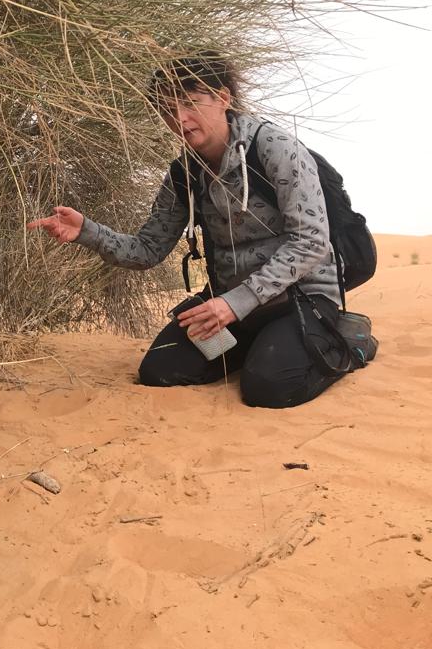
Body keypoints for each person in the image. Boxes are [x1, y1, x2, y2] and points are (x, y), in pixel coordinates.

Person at [26, 52, 344, 408]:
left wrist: (235, 303)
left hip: (300, 296)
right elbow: (147, 250)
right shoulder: (183, 174)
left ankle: (348, 340)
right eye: (166, 109)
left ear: (223, 98)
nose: (179, 118)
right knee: (161, 370)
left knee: (269, 388)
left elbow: (310, 241)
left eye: (191, 103)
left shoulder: (276, 148)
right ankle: (261, 347)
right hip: (227, 303)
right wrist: (87, 231)